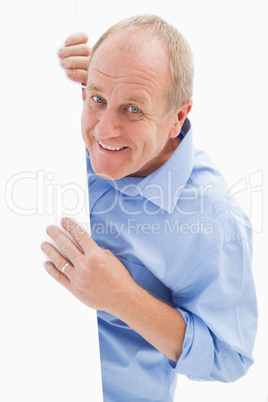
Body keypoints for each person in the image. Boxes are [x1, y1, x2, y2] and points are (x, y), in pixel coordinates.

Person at [41, 15, 258, 401]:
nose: (104, 130)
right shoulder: (64, 127)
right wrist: (41, 56)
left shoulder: (213, 220)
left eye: (133, 110)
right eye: (98, 99)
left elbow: (229, 358)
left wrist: (122, 298)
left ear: (177, 118)